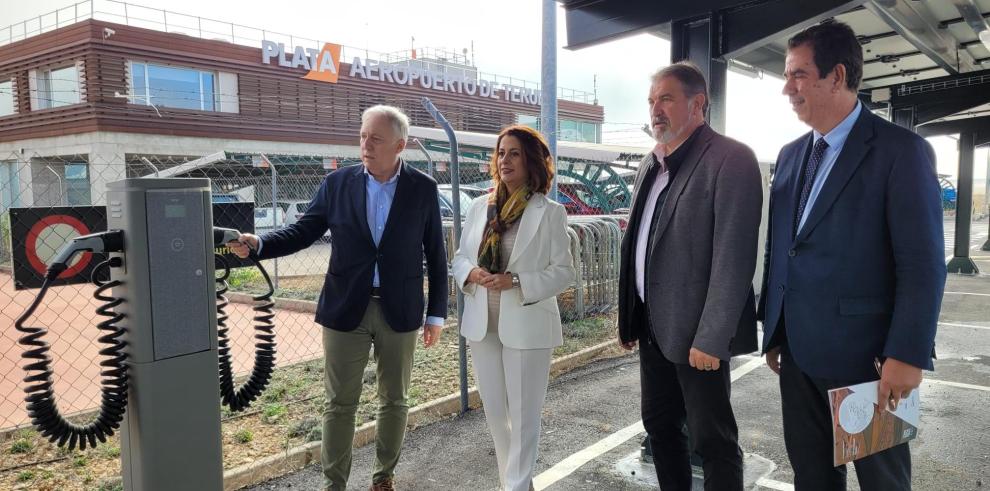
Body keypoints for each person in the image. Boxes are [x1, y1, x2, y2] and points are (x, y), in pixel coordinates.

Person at [758, 21, 945, 491]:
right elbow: (781, 246)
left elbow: (922, 264)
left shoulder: (900, 152)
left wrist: (907, 353)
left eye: (799, 75)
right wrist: (774, 329)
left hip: (870, 362)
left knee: (884, 483)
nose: (787, 88)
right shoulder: (790, 155)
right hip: (798, 355)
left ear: (837, 76)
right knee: (812, 477)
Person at [228, 105, 448, 491]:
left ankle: (383, 477)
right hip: (346, 307)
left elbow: (436, 253)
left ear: (399, 145)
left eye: (375, 138)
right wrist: (259, 243)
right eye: (362, 136)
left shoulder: (423, 188)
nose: (366, 145)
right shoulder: (337, 184)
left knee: (395, 399)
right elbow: (303, 231)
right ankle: (334, 485)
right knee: (339, 403)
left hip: (400, 309)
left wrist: (436, 315)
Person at [616, 61, 763, 491]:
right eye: (651, 101)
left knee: (713, 441)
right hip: (653, 329)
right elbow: (639, 242)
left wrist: (713, 336)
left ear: (698, 104)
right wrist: (629, 317)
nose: (655, 109)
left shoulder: (730, 158)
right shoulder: (651, 162)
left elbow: (734, 256)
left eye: (666, 99)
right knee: (661, 429)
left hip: (699, 335)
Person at [451, 124, 575, 491]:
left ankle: (516, 487)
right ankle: (515, 484)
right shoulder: (480, 207)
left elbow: (563, 272)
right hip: (483, 325)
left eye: (514, 153)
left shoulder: (549, 212)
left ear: (531, 160)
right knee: (496, 416)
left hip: (527, 324)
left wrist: (516, 281)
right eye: (501, 153)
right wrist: (472, 273)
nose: (505, 160)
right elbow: (459, 258)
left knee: (523, 419)